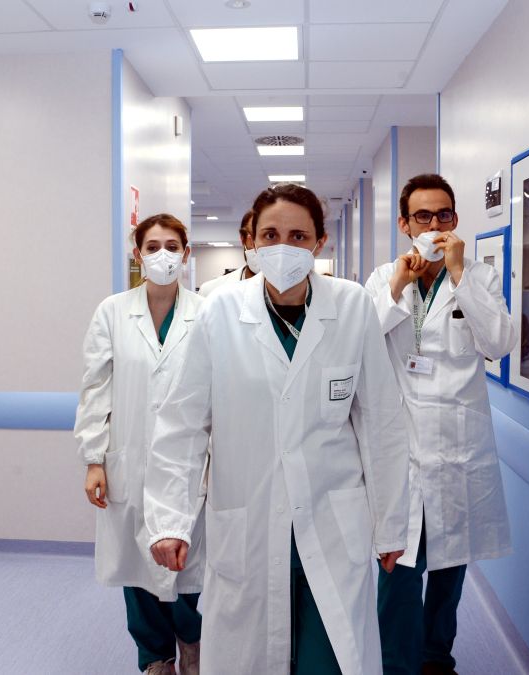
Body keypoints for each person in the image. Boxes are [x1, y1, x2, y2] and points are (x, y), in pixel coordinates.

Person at [144, 183, 410, 674]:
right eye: (270, 234)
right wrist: (169, 519)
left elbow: (382, 421)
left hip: (332, 520)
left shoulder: (351, 307)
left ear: (319, 242)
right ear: (251, 240)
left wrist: (392, 523)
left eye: (298, 236)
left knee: (329, 659)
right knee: (248, 656)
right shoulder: (220, 311)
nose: (283, 246)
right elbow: (183, 424)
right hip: (249, 519)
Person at [364, 174, 517, 675]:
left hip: (458, 445)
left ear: (455, 219)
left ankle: (436, 660)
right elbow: (359, 344)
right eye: (423, 216)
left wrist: (458, 277)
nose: (434, 224)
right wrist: (398, 285)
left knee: (450, 569)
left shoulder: (479, 276)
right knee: (399, 569)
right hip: (403, 448)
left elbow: (498, 343)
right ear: (404, 224)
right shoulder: (382, 277)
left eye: (443, 214)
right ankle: (396, 665)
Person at [74, 214, 206, 675]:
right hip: (128, 459)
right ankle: (155, 657)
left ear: (186, 254)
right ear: (138, 254)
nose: (162, 255)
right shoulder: (112, 311)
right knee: (137, 567)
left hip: (190, 464)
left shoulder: (206, 312)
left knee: (189, 565)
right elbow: (96, 387)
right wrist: (94, 459)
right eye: (152, 246)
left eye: (172, 246)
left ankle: (192, 644)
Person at [198, 210, 258, 297]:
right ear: (243, 239)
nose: (264, 246)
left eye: (271, 236)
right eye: (255, 236)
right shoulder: (211, 291)